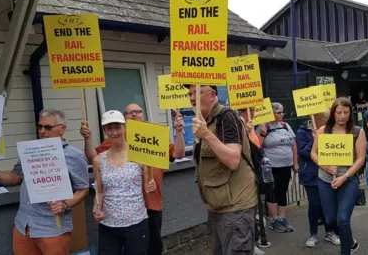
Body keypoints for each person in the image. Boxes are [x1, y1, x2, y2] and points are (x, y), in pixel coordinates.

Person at [0, 109, 89, 255]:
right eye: (40, 126)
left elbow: (84, 189)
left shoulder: (74, 155)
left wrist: (65, 205)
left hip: (52, 227)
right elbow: (15, 177)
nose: (42, 131)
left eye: (48, 127)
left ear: (62, 129)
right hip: (24, 224)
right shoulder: (31, 151)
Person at [80, 103, 185, 255]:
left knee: (153, 248)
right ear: (125, 119)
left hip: (150, 204)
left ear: (143, 114)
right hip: (120, 211)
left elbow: (178, 154)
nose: (134, 114)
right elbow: (93, 159)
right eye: (129, 113)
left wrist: (179, 131)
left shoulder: (154, 135)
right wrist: (87, 138)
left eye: (138, 111)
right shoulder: (115, 139)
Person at [178, 84, 258, 255]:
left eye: (197, 93)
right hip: (219, 206)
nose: (192, 98)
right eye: (189, 93)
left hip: (236, 208)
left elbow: (233, 160)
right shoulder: (206, 121)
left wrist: (206, 134)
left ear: (212, 94)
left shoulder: (227, 118)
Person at [311, 97, 367, 255]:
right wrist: (324, 165)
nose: (343, 116)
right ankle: (350, 242)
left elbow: (361, 158)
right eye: (339, 112)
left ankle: (346, 251)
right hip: (325, 180)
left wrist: (345, 176)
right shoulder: (323, 131)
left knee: (343, 219)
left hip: (347, 181)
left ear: (351, 113)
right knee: (330, 220)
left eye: (346, 112)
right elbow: (313, 153)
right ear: (333, 113)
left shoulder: (357, 131)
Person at [92, 110, 150, 254]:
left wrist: (151, 183)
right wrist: (97, 207)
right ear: (104, 130)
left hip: (136, 224)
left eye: (117, 127)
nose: (114, 132)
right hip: (109, 225)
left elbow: (149, 184)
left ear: (124, 127)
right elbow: (99, 190)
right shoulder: (99, 160)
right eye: (109, 128)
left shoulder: (139, 154)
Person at [296, 110, 341, 248]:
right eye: (326, 119)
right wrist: (315, 141)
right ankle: (313, 234)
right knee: (314, 205)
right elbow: (303, 153)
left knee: (328, 205)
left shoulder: (330, 131)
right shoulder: (302, 133)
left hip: (326, 174)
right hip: (310, 175)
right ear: (318, 119)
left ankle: (330, 232)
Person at [256, 102, 298, 233]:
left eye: (282, 112)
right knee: (272, 192)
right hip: (271, 167)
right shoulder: (264, 127)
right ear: (271, 113)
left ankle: (282, 217)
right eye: (278, 112)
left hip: (286, 165)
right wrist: (262, 134)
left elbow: (294, 145)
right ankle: (274, 219)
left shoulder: (285, 125)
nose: (282, 114)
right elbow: (257, 147)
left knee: (283, 190)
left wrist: (295, 163)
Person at [238, 107, 266, 255]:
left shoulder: (249, 125)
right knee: (249, 212)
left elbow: (256, 148)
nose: (254, 113)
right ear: (244, 111)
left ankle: (253, 242)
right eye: (252, 110)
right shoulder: (240, 124)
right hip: (245, 175)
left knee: (253, 210)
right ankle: (250, 244)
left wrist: (257, 133)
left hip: (254, 172)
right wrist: (247, 133)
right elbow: (244, 150)